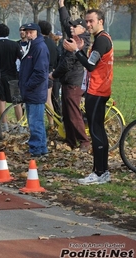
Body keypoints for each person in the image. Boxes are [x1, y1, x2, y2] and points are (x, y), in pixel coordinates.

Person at [64, 9, 113, 184]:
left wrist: (75, 51)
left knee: (96, 131)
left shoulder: (101, 40)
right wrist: (78, 50)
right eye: (86, 21)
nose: (88, 25)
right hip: (98, 89)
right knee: (98, 130)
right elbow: (92, 63)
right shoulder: (102, 39)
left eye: (91, 21)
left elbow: (90, 66)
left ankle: (99, 172)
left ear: (100, 21)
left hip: (97, 91)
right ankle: (103, 171)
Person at [49, 0, 91, 152]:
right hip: (68, 81)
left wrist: (53, 75)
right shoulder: (75, 35)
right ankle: (71, 141)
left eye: (75, 26)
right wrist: (61, 6)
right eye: (72, 26)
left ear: (83, 29)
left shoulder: (81, 42)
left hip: (74, 81)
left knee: (73, 113)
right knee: (66, 113)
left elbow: (67, 63)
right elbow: (66, 22)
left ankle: (84, 142)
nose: (71, 28)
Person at [18, 23, 50, 157]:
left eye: (31, 32)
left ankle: (36, 149)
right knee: (37, 122)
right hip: (32, 91)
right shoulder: (33, 46)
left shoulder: (39, 47)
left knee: (35, 122)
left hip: (35, 91)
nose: (28, 34)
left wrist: (27, 85)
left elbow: (41, 73)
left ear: (37, 32)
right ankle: (41, 148)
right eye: (27, 32)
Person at [0, 23, 23, 132]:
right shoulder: (15, 45)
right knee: (17, 102)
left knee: (1, 101)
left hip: (0, 76)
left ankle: (4, 126)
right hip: (13, 76)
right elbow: (22, 58)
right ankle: (20, 125)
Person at [38, 20, 58, 128]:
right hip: (51, 72)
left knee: (42, 100)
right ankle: (51, 123)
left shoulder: (40, 43)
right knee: (48, 99)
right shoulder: (52, 43)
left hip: (42, 74)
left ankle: (44, 123)